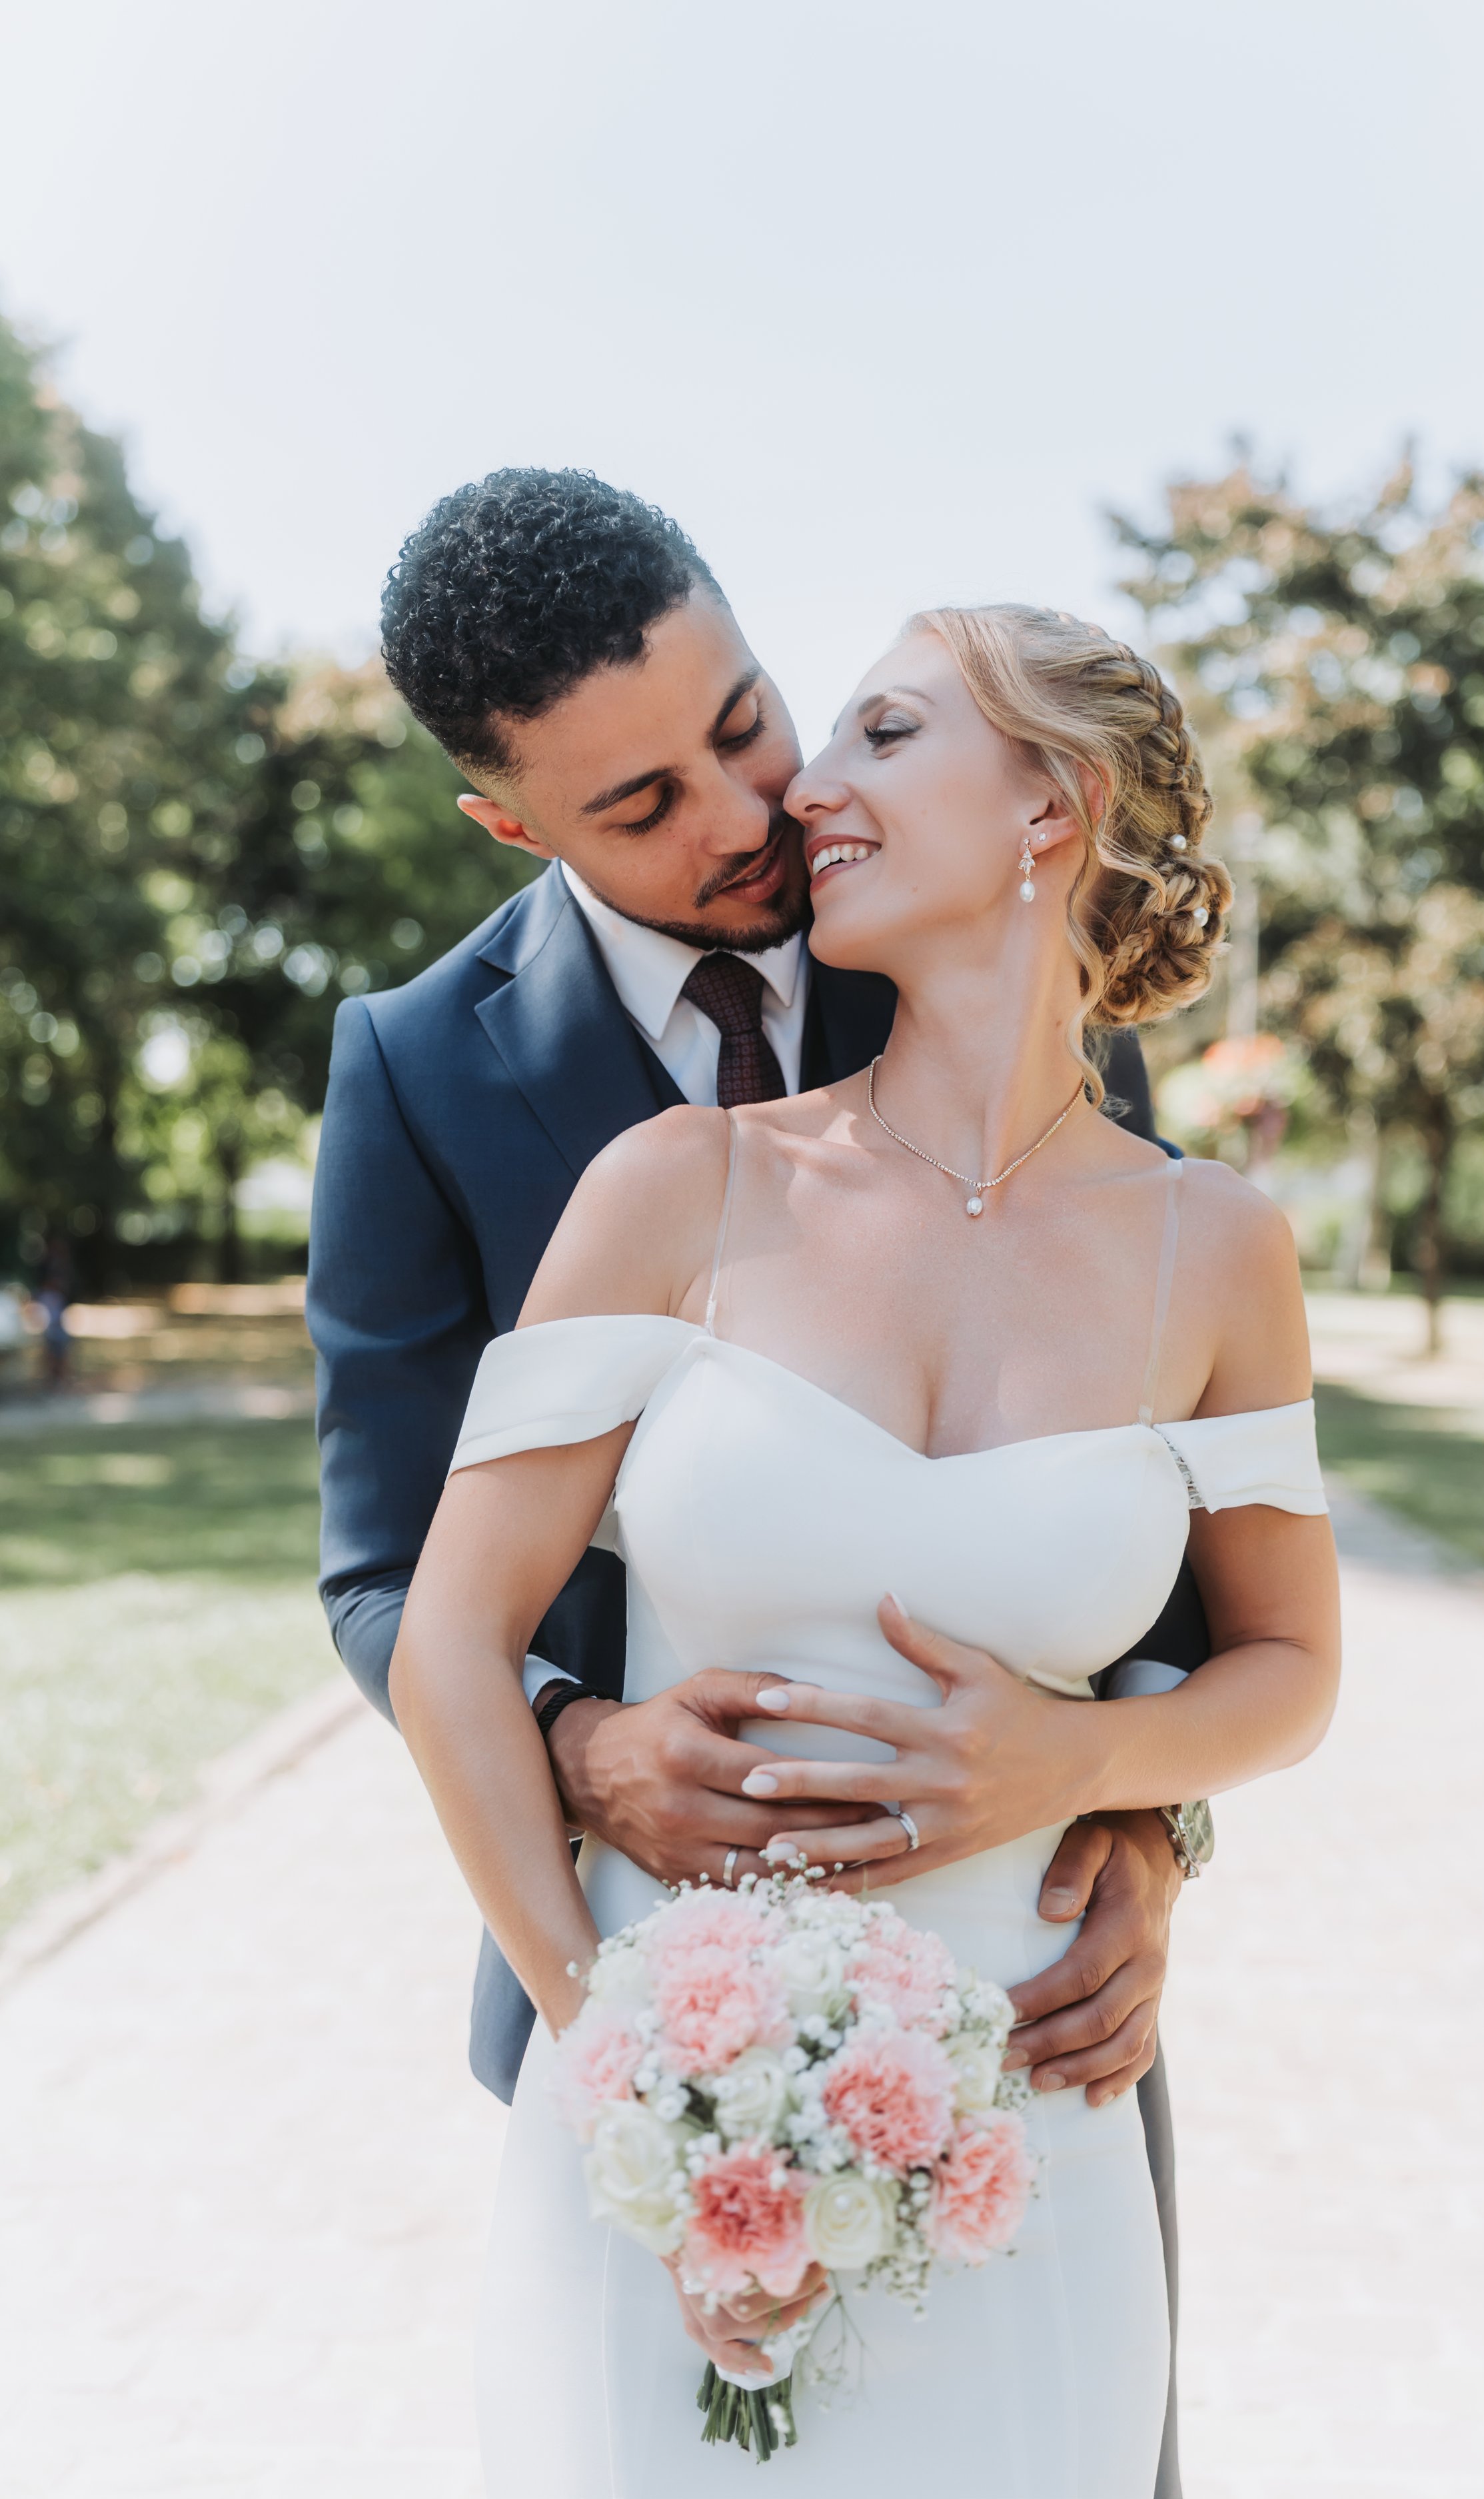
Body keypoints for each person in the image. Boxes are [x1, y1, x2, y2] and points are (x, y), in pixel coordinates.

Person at [308, 471, 1211, 2492]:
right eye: (638, 806)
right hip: (647, 2001)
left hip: (1026, 2008)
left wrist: (1145, 1836)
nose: (742, 821)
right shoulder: (418, 1076)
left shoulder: (986, 959)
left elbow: (1157, 1572)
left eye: (743, 725)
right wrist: (583, 1744)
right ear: (510, 821)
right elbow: (385, 1576)